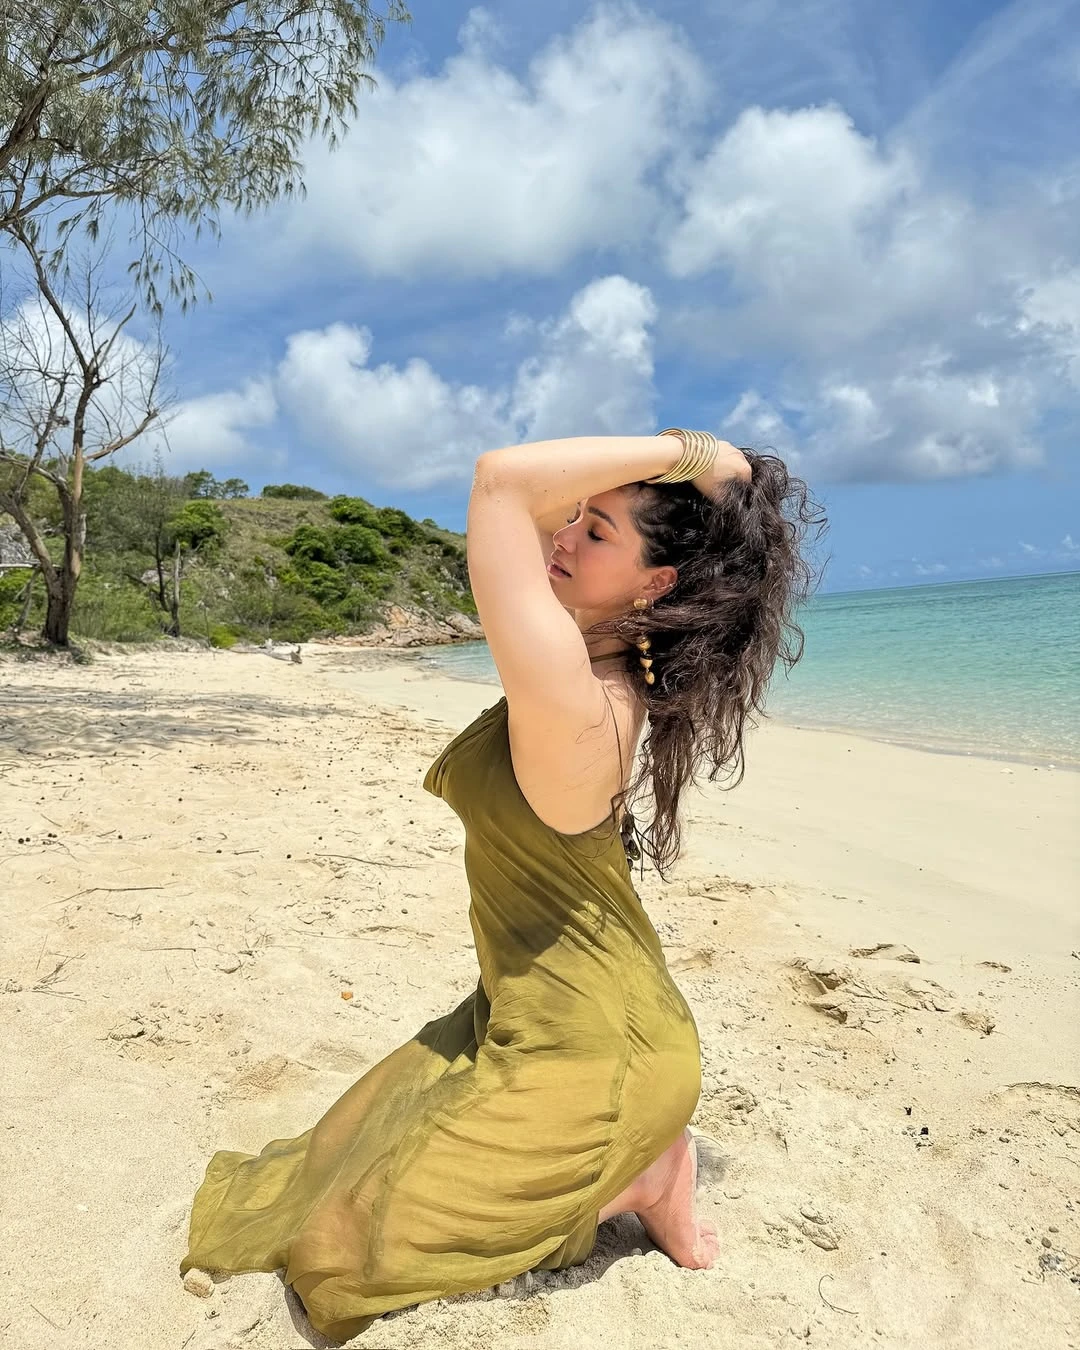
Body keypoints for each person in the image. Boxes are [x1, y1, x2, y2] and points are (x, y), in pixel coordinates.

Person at [179, 429, 825, 1342]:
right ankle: (642, 1158)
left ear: (655, 586)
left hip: (603, 1052)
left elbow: (501, 483)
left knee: (342, 1254)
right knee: (321, 1167)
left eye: (595, 534)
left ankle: (645, 1170)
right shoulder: (579, 662)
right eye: (575, 522)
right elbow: (525, 502)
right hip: (521, 1011)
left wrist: (704, 454)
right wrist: (678, 483)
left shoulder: (577, 696)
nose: (563, 536)